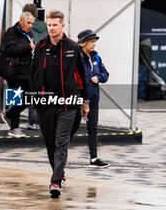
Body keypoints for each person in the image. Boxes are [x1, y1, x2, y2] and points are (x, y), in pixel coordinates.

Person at [30, 10, 89, 197]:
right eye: (49, 25)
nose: (51, 28)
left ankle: (55, 182)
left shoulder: (73, 47)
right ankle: (60, 174)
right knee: (50, 143)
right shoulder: (40, 47)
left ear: (63, 26)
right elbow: (33, 74)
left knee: (61, 141)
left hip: (67, 103)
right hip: (45, 103)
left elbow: (82, 76)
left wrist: (84, 101)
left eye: (55, 25)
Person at [69, 29, 110, 168]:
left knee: (92, 129)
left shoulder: (96, 57)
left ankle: (94, 159)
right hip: (78, 100)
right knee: (71, 128)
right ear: (84, 43)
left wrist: (98, 77)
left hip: (93, 100)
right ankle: (59, 155)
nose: (94, 45)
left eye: (95, 42)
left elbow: (105, 74)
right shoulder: (76, 57)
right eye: (92, 42)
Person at [0, 11, 35, 137]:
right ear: (21, 21)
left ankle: (9, 114)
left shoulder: (29, 34)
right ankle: (14, 128)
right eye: (28, 23)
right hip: (14, 72)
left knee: (30, 97)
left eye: (32, 23)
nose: (31, 25)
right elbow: (9, 50)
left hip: (26, 72)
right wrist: (28, 47)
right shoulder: (11, 32)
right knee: (16, 98)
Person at [22, 3, 48, 130]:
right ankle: (42, 121)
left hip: (30, 63)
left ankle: (32, 121)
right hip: (45, 62)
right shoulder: (46, 27)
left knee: (31, 92)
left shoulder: (27, 27)